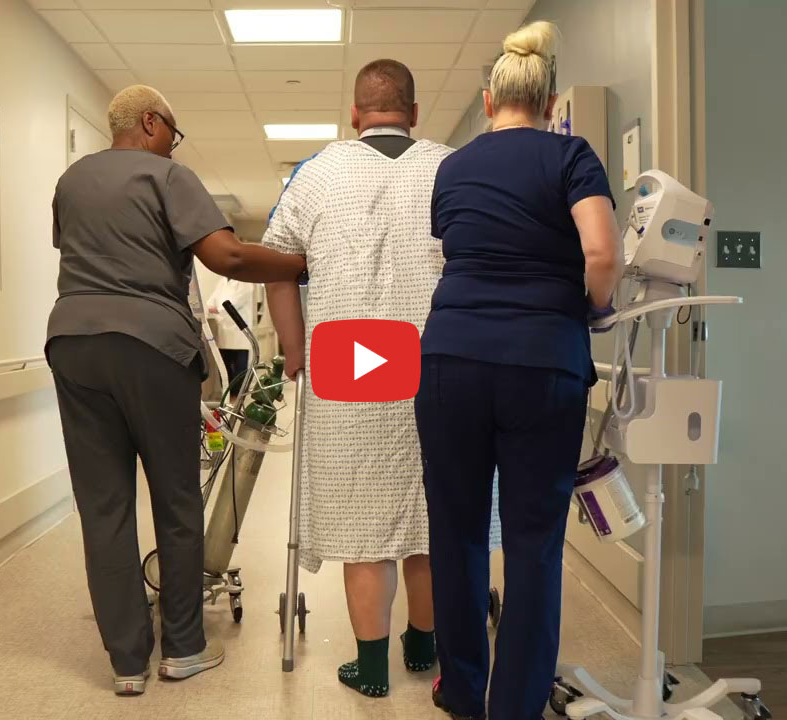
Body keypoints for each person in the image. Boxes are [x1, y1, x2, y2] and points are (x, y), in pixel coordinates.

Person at [46, 84, 306, 696]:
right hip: (151, 347)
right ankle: (184, 648)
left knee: (103, 507)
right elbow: (229, 258)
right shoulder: (167, 175)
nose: (173, 145)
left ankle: (127, 662)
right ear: (152, 121)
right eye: (174, 133)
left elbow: (84, 256)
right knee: (176, 498)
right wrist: (300, 264)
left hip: (74, 344)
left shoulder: (71, 181)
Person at [263, 59, 501, 699]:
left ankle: (370, 669)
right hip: (439, 365)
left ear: (355, 114)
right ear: (416, 113)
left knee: (364, 525)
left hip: (347, 374)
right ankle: (423, 650)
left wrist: (293, 352)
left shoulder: (315, 174)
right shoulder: (455, 166)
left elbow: (277, 266)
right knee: (432, 516)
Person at [415, 22, 623, 720]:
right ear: (551, 98)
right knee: (533, 540)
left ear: (488, 98)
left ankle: (463, 690)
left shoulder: (453, 166)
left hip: (450, 361)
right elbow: (600, 255)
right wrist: (597, 311)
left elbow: (460, 245)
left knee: (458, 529)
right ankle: (517, 703)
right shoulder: (572, 157)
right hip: (542, 363)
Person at [205, 276, 258, 401]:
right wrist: (208, 308)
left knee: (239, 370)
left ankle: (238, 399)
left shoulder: (245, 282)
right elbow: (211, 301)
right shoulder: (222, 281)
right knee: (224, 368)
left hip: (239, 333)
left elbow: (234, 303)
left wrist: (217, 309)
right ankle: (227, 397)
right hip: (224, 332)